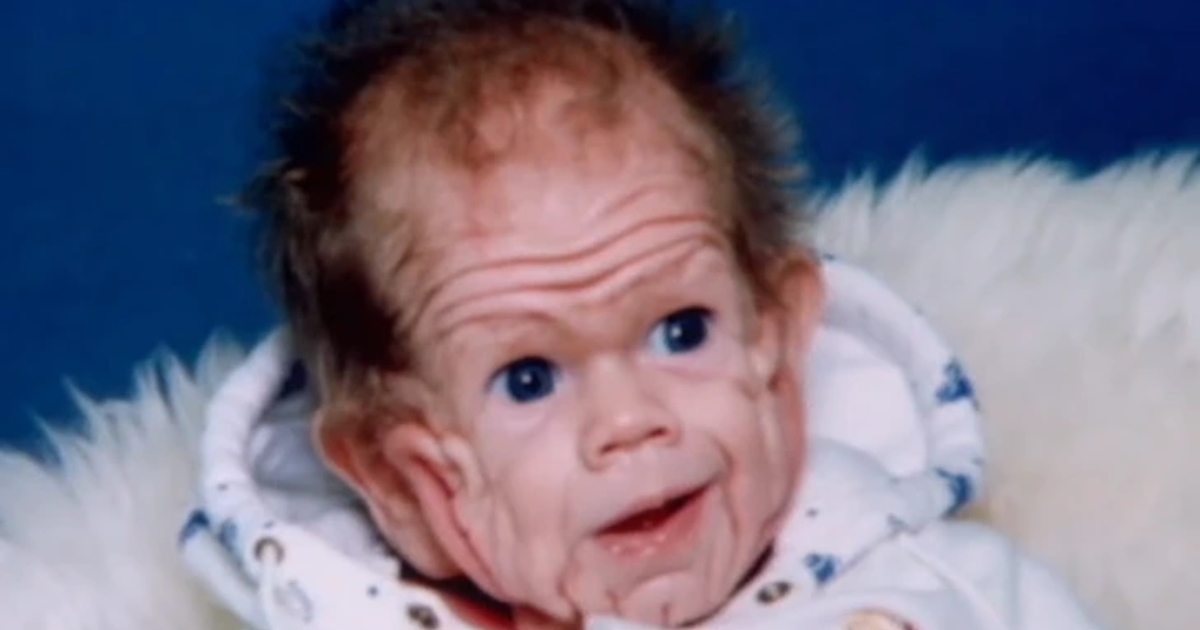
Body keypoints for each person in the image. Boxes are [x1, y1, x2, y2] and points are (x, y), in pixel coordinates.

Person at [180, 1, 1107, 629]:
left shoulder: (930, 592)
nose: (630, 421)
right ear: (404, 477)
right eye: (529, 379)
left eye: (682, 331)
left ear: (777, 344)